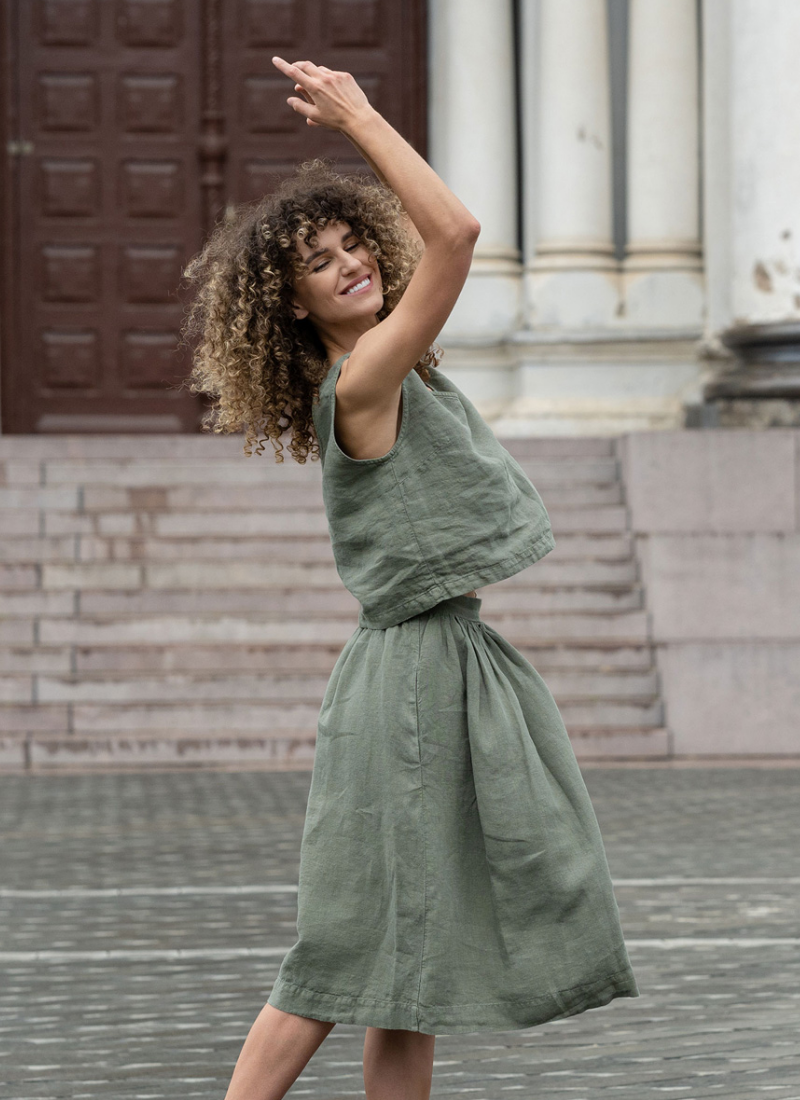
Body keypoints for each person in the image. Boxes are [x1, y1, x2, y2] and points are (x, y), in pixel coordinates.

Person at [182, 56, 639, 1100]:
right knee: (342, 949)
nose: (347, 265)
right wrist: (360, 118)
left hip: (437, 663)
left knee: (408, 972)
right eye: (319, 263)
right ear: (291, 306)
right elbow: (461, 234)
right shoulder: (367, 377)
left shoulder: (393, 367)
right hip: (410, 685)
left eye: (352, 245)